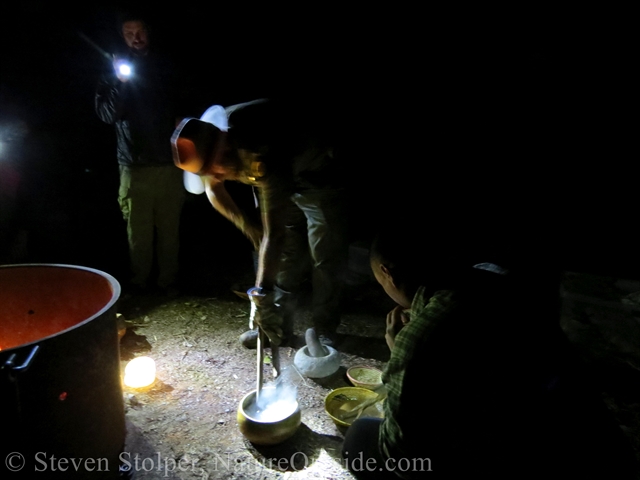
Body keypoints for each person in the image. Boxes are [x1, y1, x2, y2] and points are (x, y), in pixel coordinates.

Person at [341, 228, 637, 479]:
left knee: (359, 440)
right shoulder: (497, 280)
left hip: (509, 455)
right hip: (579, 439)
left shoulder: (423, 335)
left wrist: (399, 352)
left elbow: (400, 452)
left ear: (386, 273)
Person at [171, 99, 348, 347]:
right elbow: (213, 190)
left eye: (218, 170)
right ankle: (276, 328)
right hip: (279, 179)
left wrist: (260, 295)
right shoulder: (206, 144)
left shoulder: (258, 148)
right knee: (286, 255)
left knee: (325, 254)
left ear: (226, 148)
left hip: (317, 175)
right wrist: (248, 227)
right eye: (210, 172)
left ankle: (324, 329)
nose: (218, 176)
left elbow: (273, 235)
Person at [95, 13, 185, 296]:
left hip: (169, 164)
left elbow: (183, 111)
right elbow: (108, 114)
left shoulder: (165, 68)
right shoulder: (111, 74)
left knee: (169, 231)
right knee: (138, 234)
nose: (136, 37)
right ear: (122, 38)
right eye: (129, 33)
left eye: (140, 31)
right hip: (133, 166)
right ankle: (140, 284)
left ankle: (168, 283)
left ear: (149, 32)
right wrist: (121, 80)